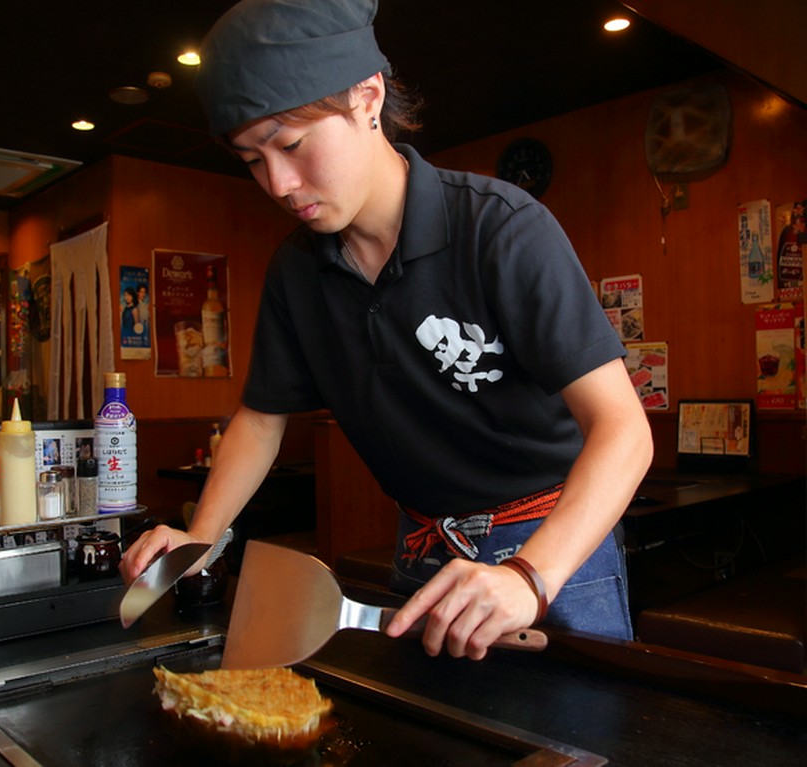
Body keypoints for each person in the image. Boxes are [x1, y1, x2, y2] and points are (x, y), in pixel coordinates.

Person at [121, 0, 653, 660]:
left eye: (291, 144)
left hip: (551, 551)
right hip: (423, 553)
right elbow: (260, 420)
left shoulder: (500, 230)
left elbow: (624, 430)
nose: (279, 183)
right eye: (252, 159)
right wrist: (199, 536)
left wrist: (528, 576)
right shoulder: (297, 270)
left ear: (367, 97)